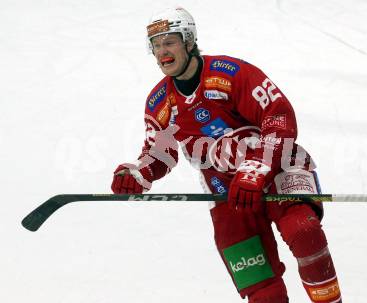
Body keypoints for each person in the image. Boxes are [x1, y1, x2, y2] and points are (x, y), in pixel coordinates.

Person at [111, 6, 342, 303]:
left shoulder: (231, 73)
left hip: (279, 167)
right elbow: (158, 154)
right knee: (258, 283)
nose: (162, 52)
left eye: (169, 42)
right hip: (226, 189)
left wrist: (257, 169)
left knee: (304, 232)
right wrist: (137, 174)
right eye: (156, 45)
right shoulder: (160, 103)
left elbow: (278, 116)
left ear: (189, 41)